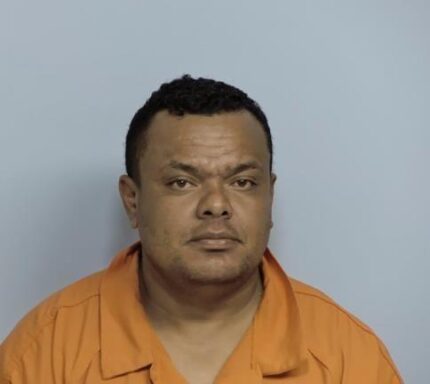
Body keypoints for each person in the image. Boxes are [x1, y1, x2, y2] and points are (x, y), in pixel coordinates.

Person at [0, 75, 403, 384]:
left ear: (270, 198)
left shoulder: (349, 357)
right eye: (182, 182)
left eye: (243, 182)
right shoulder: (44, 352)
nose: (216, 204)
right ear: (133, 201)